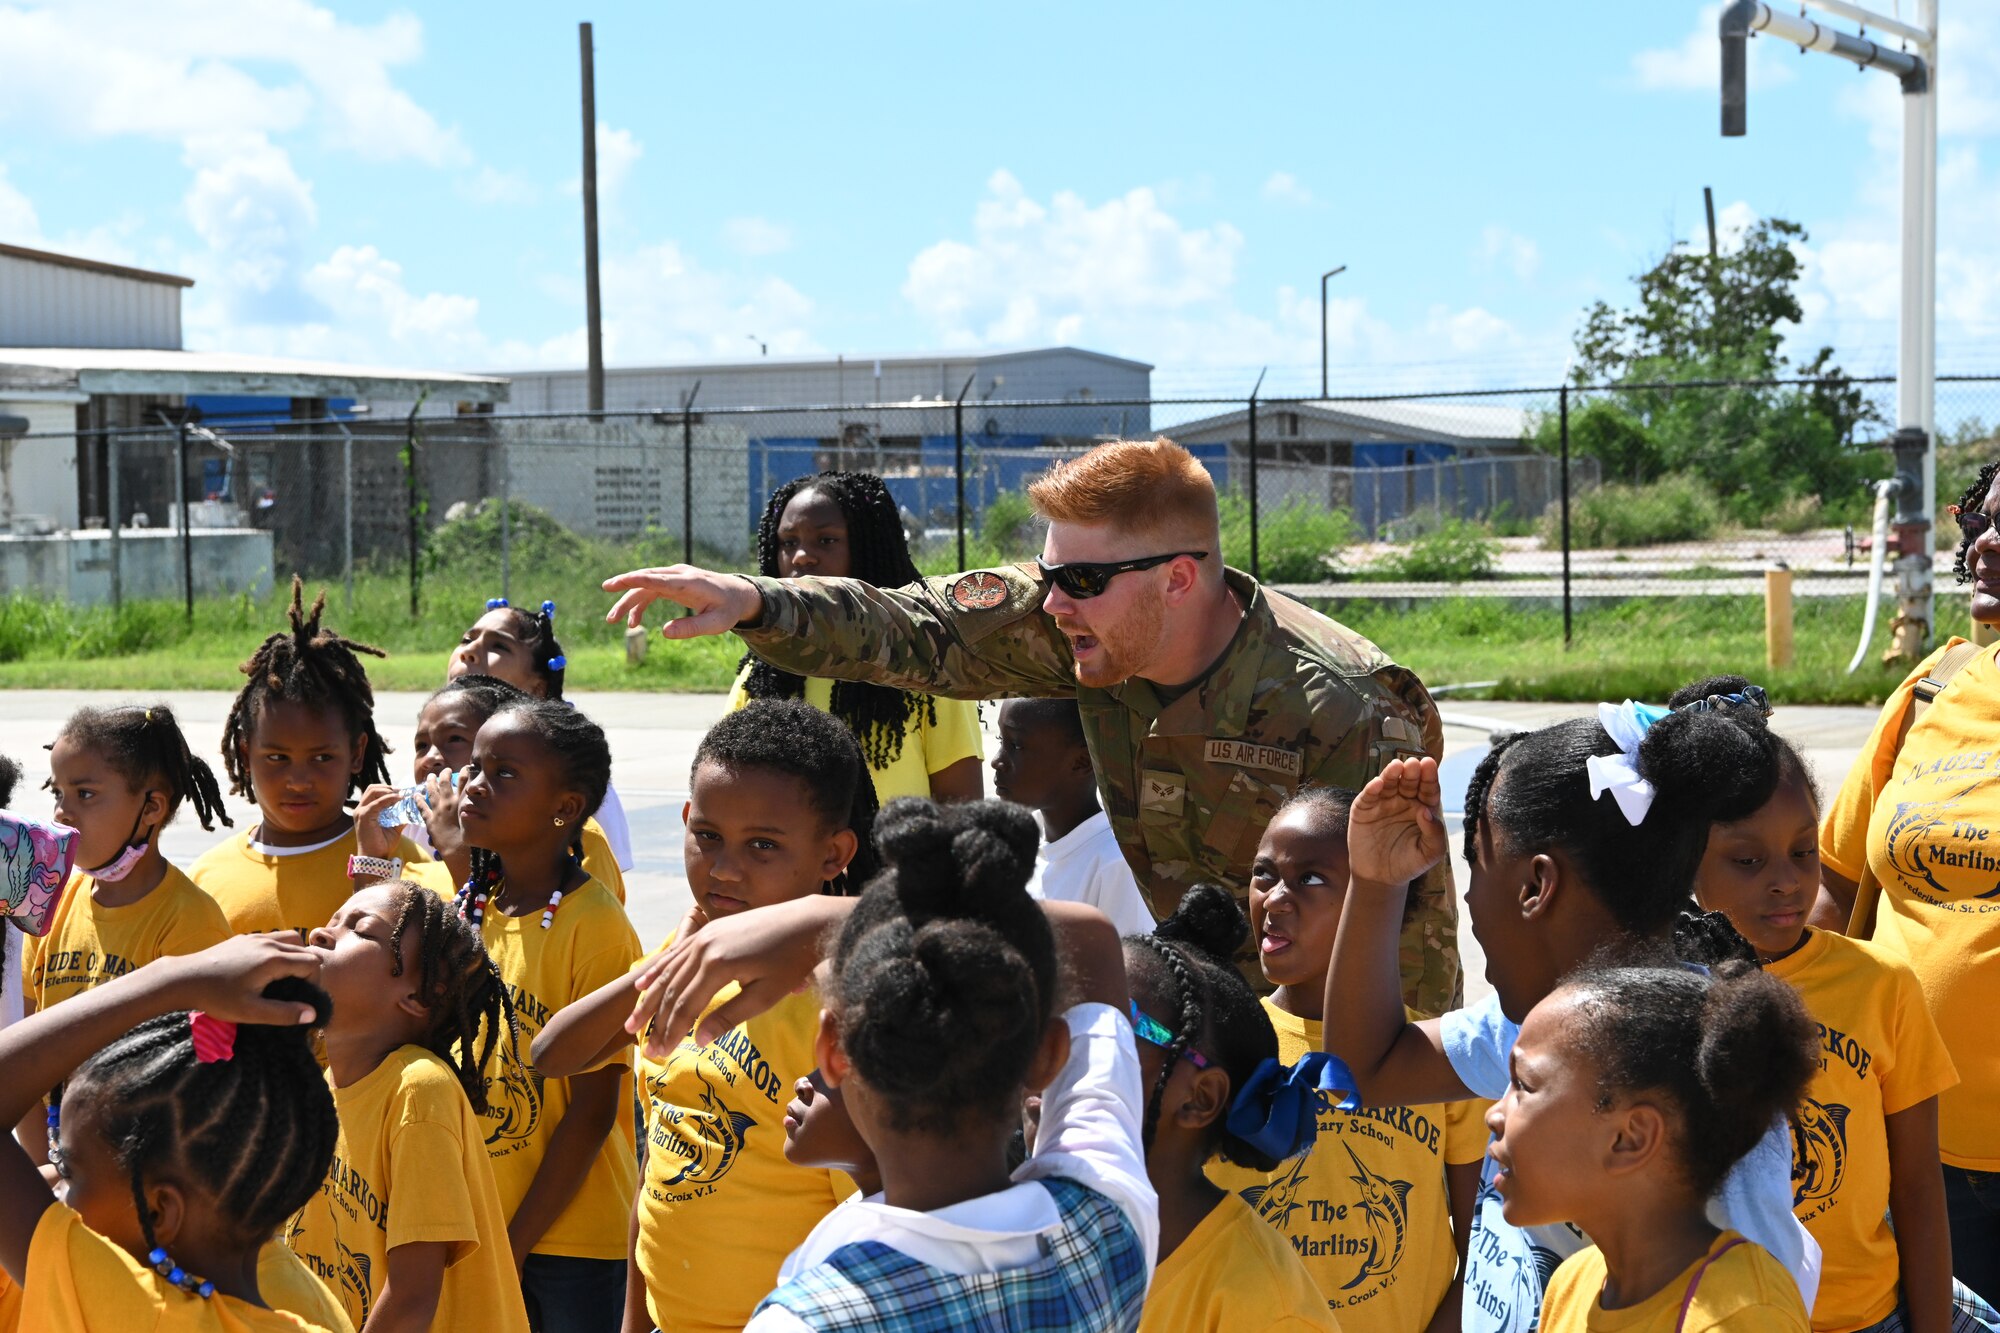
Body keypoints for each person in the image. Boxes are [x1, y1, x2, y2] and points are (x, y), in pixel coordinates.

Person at [603, 436, 1460, 1016]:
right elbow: (923, 626)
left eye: (1080, 580)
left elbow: (1411, 959)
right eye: (1049, 574)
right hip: (1187, 1016)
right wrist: (756, 600)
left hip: (1320, 1049)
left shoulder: (1347, 707)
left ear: (1178, 579)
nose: (1052, 602)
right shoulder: (1080, 623)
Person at [1326, 712, 1820, 1333]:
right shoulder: (1543, 1022)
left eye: (1475, 866)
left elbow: (1761, 1292)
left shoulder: (1696, 1075)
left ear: (1536, 885)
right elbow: (1359, 1072)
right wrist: (1375, 884)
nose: (1472, 901)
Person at [617, 797, 1153, 1333]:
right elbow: (1094, 939)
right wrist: (820, 917)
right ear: (1048, 1056)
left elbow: (1089, 938)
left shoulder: (807, 1317)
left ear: (831, 1050)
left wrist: (836, 917)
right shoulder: (1109, 1214)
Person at [529, 700, 880, 1333]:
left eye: (763, 846)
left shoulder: (841, 1004)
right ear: (685, 819)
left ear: (834, 856)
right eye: (708, 836)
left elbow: (867, 1221)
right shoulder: (686, 951)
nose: (723, 868)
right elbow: (562, 1063)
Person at [1680, 676, 1994, 1333]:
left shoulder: (1882, 985)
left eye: (1802, 851)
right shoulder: (1666, 996)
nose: (1786, 881)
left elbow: (1915, 1188)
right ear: (1684, 865)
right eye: (1746, 859)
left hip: (1869, 1317)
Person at [1817, 461, 2000, 1304]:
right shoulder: (1933, 689)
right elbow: (1831, 892)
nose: (1988, 547)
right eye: (1982, 525)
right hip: (1905, 1150)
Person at [1214, 786, 1485, 1331]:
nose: (1274, 899)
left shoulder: (1438, 1056)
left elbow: (1482, 1249)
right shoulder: (1222, 1052)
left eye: (1311, 879)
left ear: (1375, 901)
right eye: (1264, 874)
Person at [0, 932, 344, 1331]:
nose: (58, 1192)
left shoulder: (122, 1309)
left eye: (72, 1175)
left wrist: (171, 980)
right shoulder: (317, 1320)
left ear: (159, 1210)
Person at [432, 698, 641, 1332]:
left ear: (566, 808)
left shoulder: (595, 927)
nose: (474, 786)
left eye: (505, 775)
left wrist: (514, 1241)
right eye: (475, 768)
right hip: (486, 1223)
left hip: (568, 1242)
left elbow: (593, 1110)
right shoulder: (475, 906)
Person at [1494, 964, 1817, 1333]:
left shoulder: (1743, 1320)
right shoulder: (1573, 1283)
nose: (1494, 1114)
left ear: (1630, 1138)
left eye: (1524, 1085)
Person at [285, 880, 530, 1333]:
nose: (321, 934)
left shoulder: (418, 1091)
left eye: (360, 929)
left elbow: (412, 1299)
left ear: (418, 996)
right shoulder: (326, 1086)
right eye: (332, 921)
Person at [19, 704, 234, 1162]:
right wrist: (38, 1173)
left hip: (142, 1169)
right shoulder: (47, 901)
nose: (63, 813)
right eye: (59, 793)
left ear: (151, 807)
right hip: (57, 1164)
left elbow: (206, 1076)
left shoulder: (191, 921)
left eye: (85, 794)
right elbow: (24, 1056)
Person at [1126, 885, 1337, 1332]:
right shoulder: (1030, 1230)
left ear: (1200, 1097)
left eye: (1113, 1026)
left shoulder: (1266, 1310)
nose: (1059, 1046)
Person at [726, 471, 985, 803]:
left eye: (826, 540)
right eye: (788, 543)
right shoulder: (762, 676)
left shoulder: (924, 665)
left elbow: (961, 805)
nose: (802, 556)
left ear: (868, 549)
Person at [191, 579, 427, 939]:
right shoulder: (205, 881)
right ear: (245, 753)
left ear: (357, 753)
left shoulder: (399, 861)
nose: (299, 780)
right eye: (276, 757)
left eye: (321, 757)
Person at [385, 674, 625, 903]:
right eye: (421, 745)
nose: (431, 758)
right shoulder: (421, 864)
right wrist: (372, 856)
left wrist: (455, 850)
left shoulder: (575, 843)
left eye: (455, 739)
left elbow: (499, 937)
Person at [450, 597, 636, 872]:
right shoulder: (432, 765)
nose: (469, 652)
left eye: (498, 646)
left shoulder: (571, 775)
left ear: (538, 688)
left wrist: (454, 853)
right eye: (466, 640)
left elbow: (600, 890)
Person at [993, 697, 1153, 935]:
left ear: (1081, 761)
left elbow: (1125, 968)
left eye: (1016, 745)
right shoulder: (1017, 844)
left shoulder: (1114, 865)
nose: (997, 761)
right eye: (1000, 740)